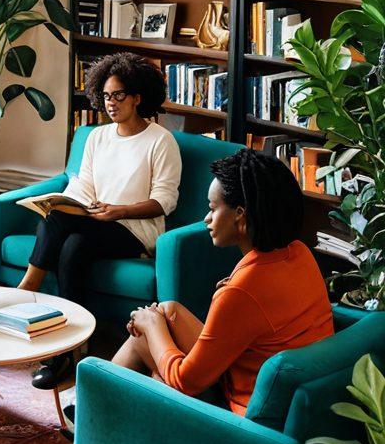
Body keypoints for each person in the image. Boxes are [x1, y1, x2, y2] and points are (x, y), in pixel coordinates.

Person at [109, 147, 334, 416]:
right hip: (274, 394)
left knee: (145, 339)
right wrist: (159, 319)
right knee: (167, 310)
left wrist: (150, 325)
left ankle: (97, 416)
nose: (207, 219)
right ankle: (105, 412)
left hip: (240, 415)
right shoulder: (299, 253)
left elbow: (186, 381)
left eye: (213, 209)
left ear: (240, 214)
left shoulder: (242, 290)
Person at [21, 52, 182, 390]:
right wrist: (71, 203)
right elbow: (83, 185)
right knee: (72, 241)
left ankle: (28, 288)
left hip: (136, 231)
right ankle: (71, 348)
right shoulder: (97, 137)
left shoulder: (160, 141)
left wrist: (118, 211)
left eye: (119, 95)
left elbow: (165, 201)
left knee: (58, 225)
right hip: (96, 224)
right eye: (106, 96)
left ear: (138, 97)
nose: (111, 103)